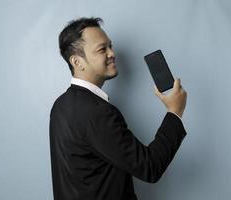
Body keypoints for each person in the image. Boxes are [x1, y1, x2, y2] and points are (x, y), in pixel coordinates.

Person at [49, 17, 187, 200]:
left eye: (110, 46)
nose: (112, 53)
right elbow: (150, 167)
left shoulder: (60, 105)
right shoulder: (97, 112)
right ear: (77, 62)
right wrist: (174, 113)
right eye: (101, 49)